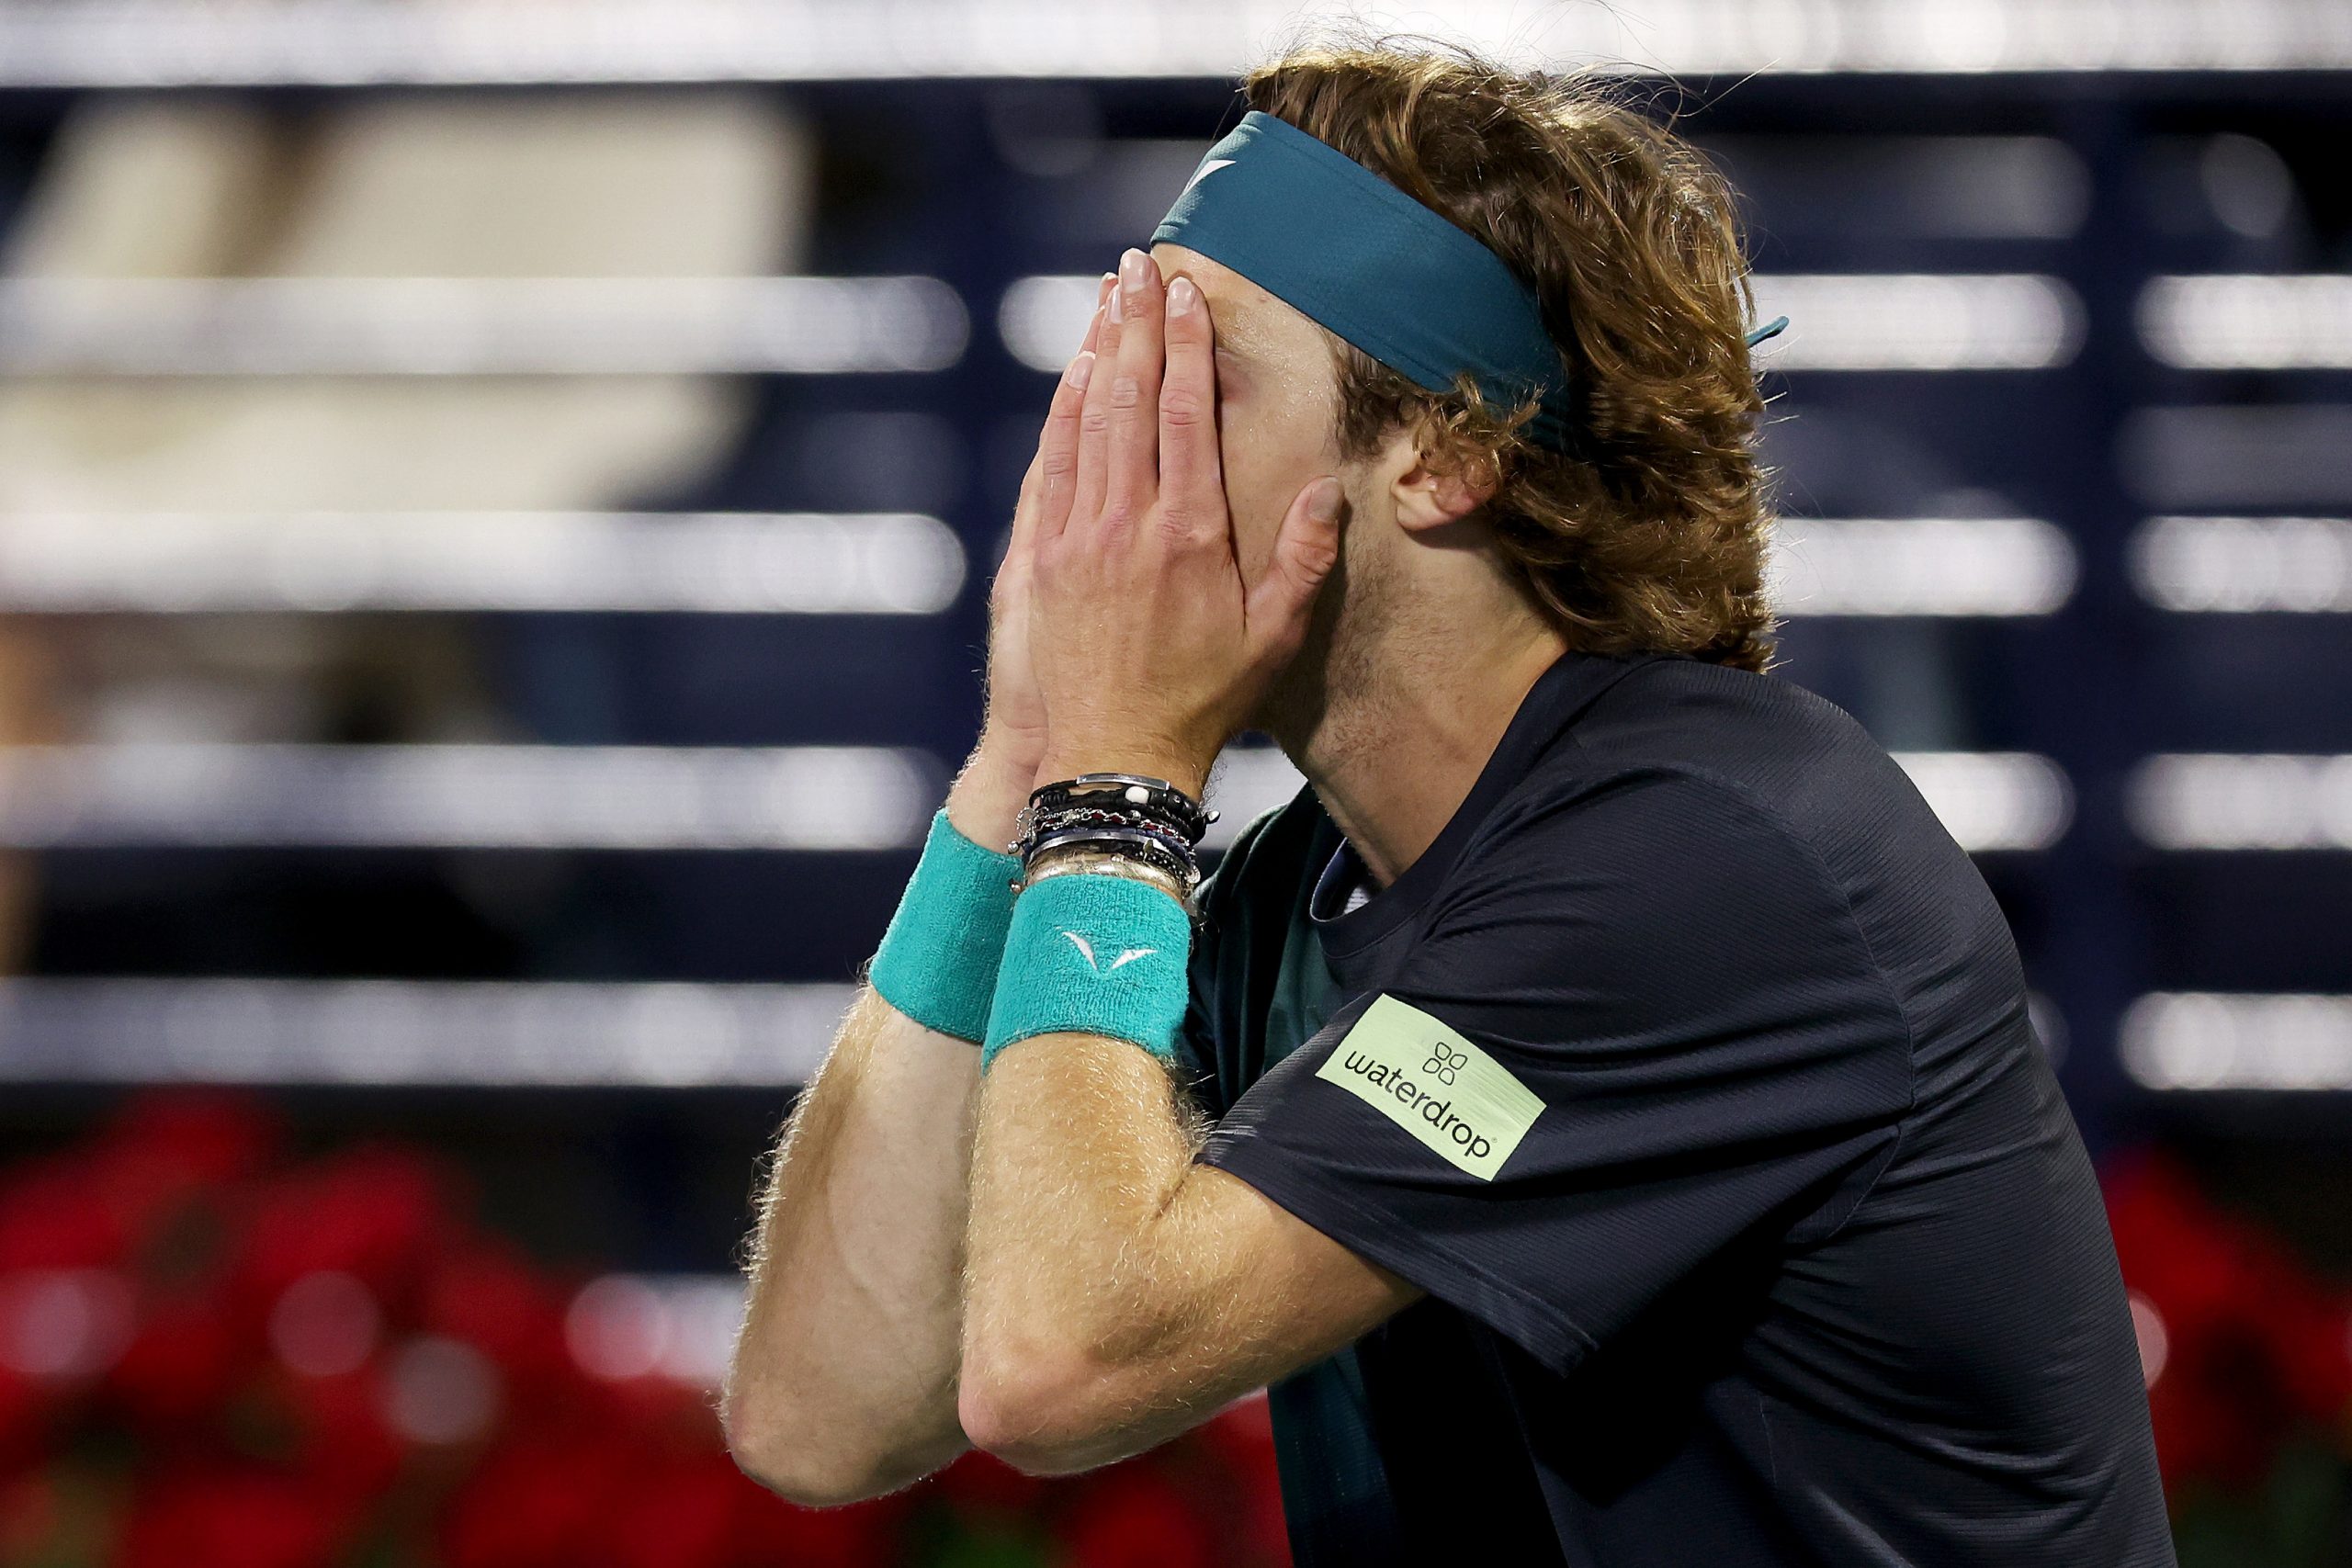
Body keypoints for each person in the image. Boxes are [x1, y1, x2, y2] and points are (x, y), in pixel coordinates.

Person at [722, 30, 2176, 1568]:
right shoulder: (1306, 884)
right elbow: (821, 1411)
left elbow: (1054, 1371)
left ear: (1444, 451)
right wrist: (1028, 756)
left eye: (1189, 375)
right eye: (1109, 374)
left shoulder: (1711, 861)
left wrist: (1115, 783)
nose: (1106, 458)